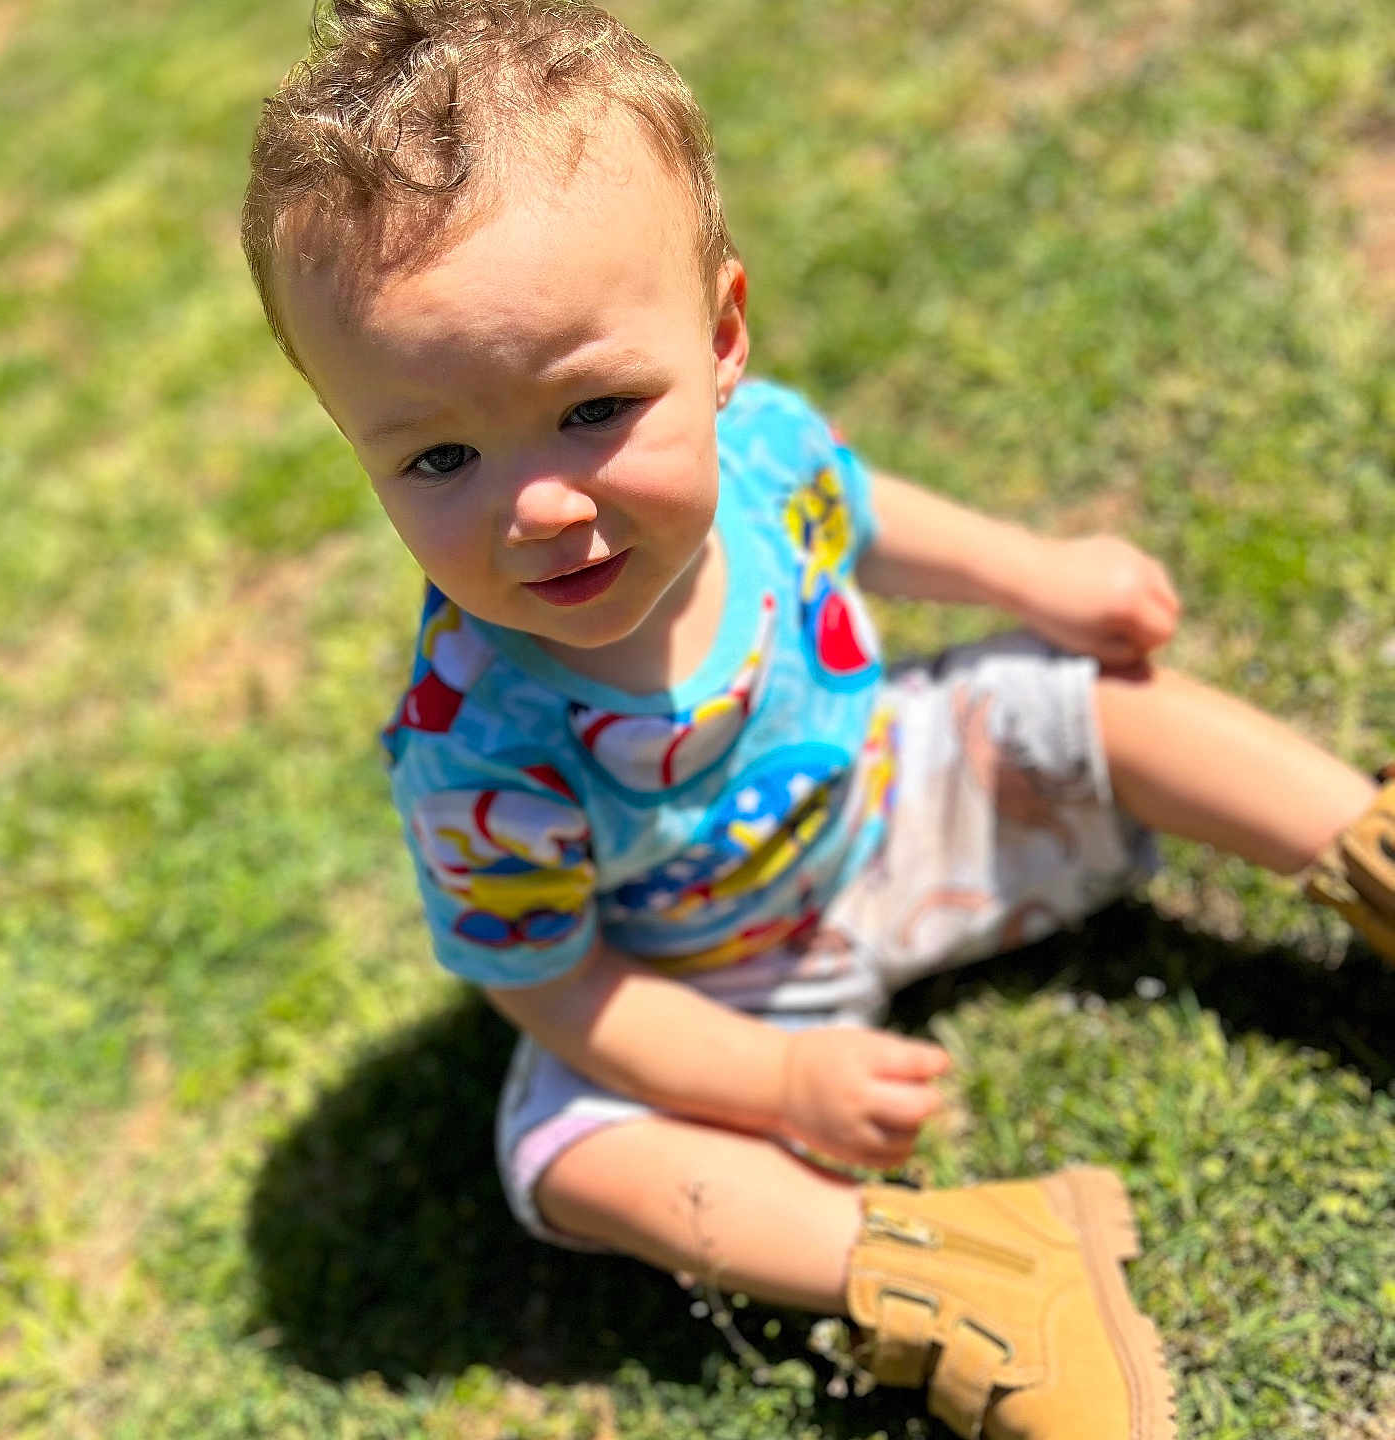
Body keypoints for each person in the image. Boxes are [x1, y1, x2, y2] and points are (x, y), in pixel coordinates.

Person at [240, 3, 1395, 1434]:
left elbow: (871, 520)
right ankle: (962, 1272)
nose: (536, 504)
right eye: (441, 457)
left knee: (1094, 706)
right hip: (710, 983)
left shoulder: (766, 445)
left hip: (896, 797)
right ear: (360, 449)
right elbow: (557, 985)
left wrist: (1043, 575)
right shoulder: (477, 747)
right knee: (566, 1154)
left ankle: (1365, 847)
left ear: (720, 338)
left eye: (594, 407)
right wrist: (774, 1075)